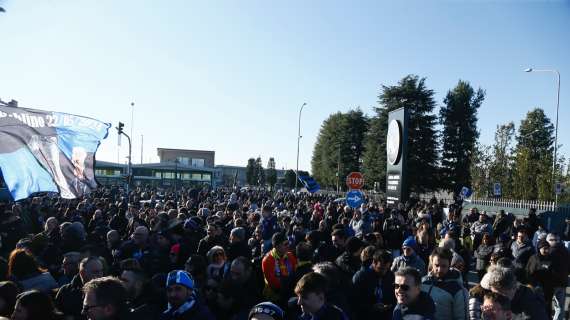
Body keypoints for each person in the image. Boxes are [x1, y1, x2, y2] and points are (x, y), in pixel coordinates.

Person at [480, 265, 547, 320]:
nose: (496, 298)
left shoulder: (532, 309)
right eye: (494, 293)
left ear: (514, 288)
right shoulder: (509, 299)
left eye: (502, 294)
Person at [421, 247, 468, 320]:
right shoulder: (423, 282)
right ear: (431, 263)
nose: (439, 270)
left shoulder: (458, 289)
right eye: (436, 265)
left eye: (444, 266)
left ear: (449, 265)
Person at [352, 249, 396, 320]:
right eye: (381, 268)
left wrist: (389, 306)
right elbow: (354, 301)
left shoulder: (390, 275)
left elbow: (392, 296)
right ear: (374, 263)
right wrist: (371, 307)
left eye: (387, 268)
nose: (384, 272)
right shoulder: (361, 277)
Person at [261, 232, 297, 303]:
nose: (288, 246)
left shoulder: (290, 255)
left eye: (288, 243)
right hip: (274, 297)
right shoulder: (268, 260)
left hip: (289, 292)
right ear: (277, 246)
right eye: (285, 244)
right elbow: (274, 284)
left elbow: (295, 272)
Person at [545, 233, 569, 320]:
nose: (554, 242)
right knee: (559, 307)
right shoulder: (565, 250)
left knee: (547, 305)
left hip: (550, 284)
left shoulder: (546, 251)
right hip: (562, 282)